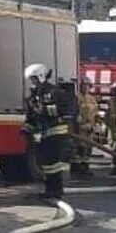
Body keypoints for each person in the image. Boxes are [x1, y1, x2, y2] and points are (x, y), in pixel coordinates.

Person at [23, 64, 76, 202]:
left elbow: (68, 110)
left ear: (40, 76)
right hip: (44, 134)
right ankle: (49, 189)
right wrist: (27, 127)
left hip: (57, 133)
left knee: (54, 164)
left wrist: (46, 111)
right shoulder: (33, 97)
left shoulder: (55, 92)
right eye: (31, 80)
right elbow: (31, 116)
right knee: (45, 164)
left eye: (34, 79)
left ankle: (56, 190)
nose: (32, 82)